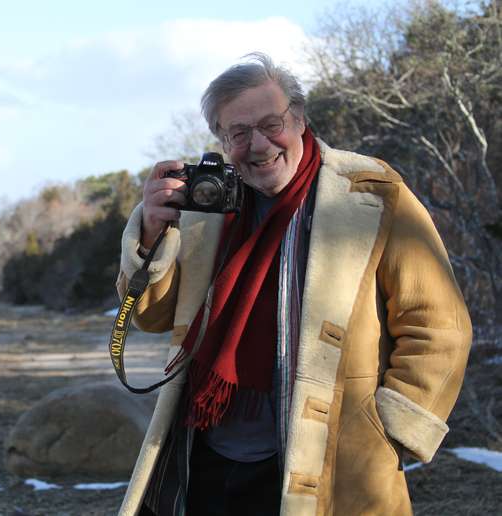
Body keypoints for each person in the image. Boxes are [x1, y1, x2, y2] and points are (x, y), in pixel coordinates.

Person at [115, 53, 472, 516]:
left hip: (331, 461)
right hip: (203, 453)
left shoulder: (371, 193)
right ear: (222, 140)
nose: (258, 145)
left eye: (271, 124)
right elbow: (149, 316)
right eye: (237, 133)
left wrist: (391, 434)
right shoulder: (207, 211)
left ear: (300, 118)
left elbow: (438, 324)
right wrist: (150, 235)